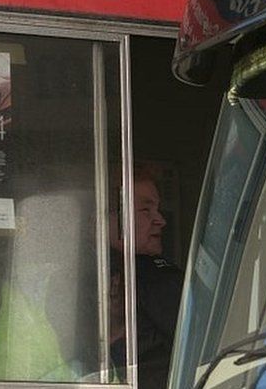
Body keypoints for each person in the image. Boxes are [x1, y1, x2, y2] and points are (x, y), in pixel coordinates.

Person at [109, 164, 184, 389]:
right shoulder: (157, 279)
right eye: (145, 210)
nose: (161, 220)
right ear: (102, 219)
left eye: (157, 209)